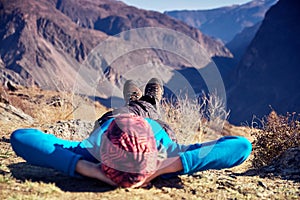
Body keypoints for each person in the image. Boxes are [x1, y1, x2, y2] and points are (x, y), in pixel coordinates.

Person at [10, 79, 252, 188]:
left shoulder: (90, 152)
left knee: (130, 110)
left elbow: (22, 137)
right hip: (151, 125)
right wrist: (166, 167)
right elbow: (241, 146)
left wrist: (88, 169)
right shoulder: (167, 152)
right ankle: (146, 102)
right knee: (147, 112)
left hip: (114, 120)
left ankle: (141, 102)